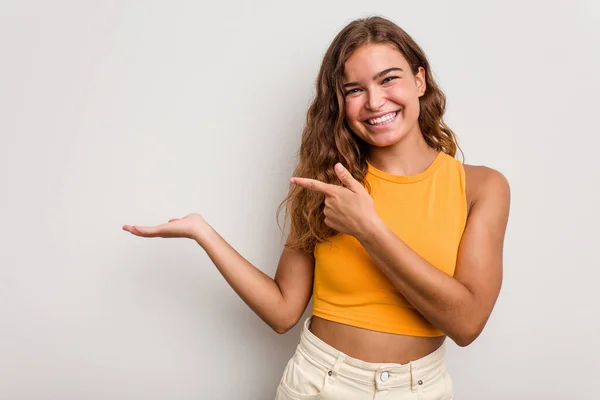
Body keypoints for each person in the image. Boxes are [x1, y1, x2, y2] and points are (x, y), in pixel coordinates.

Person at [123, 16, 510, 400]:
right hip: (318, 383)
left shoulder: (481, 187)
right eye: (354, 89)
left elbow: (467, 324)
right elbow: (282, 312)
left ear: (419, 80)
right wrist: (202, 232)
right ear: (339, 102)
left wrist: (369, 230)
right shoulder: (326, 182)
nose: (375, 102)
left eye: (388, 78)